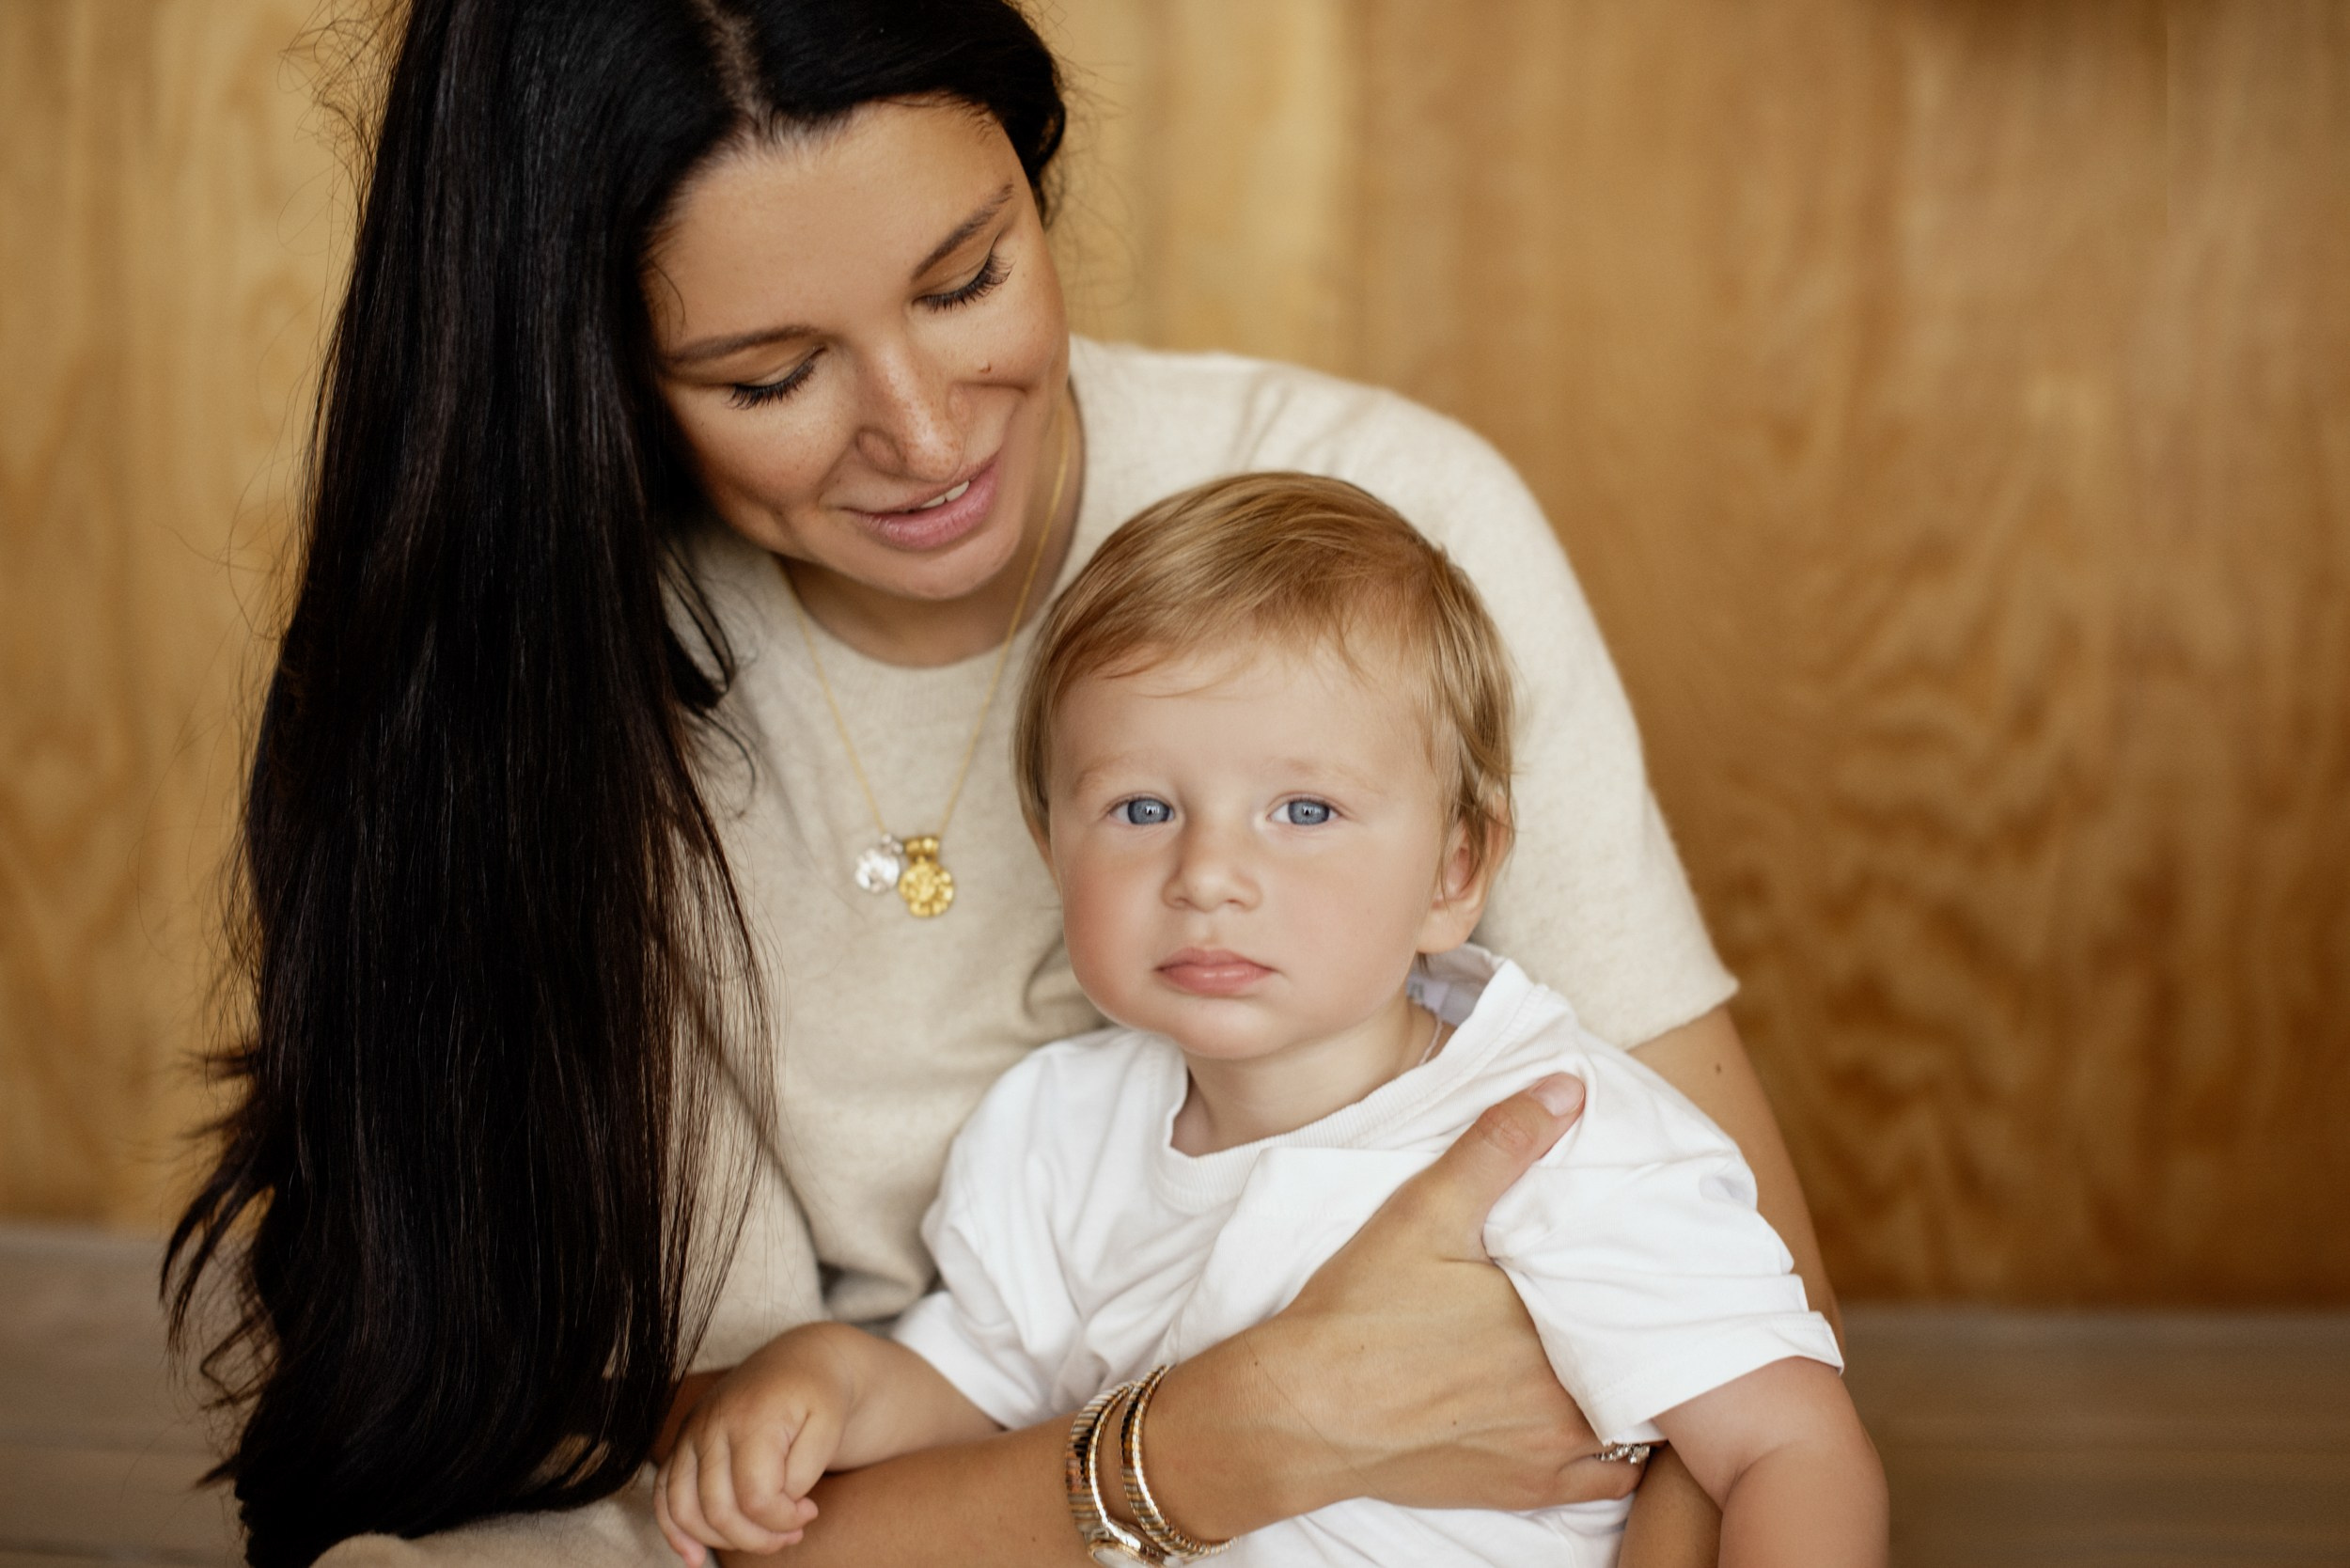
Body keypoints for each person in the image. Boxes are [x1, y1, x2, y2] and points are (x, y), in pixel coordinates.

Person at [164, 2, 1843, 1564]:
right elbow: (723, 1493)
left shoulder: (1381, 529)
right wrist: (1218, 1442)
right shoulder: (527, 714)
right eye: (769, 377)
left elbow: (1750, 1400)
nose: (926, 431)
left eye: (966, 278)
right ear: (585, 376)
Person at [652, 475, 1884, 1568]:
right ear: (1049, 844)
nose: (1208, 874)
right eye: (1140, 810)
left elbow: (1789, 1450)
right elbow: (972, 1382)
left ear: (1456, 873)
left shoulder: (1565, 1129)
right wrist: (823, 1384)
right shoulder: (1053, 1131)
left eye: (1302, 811)